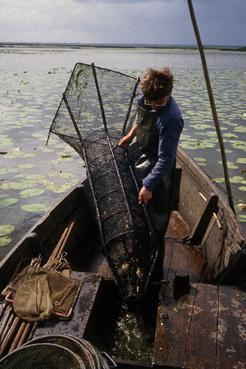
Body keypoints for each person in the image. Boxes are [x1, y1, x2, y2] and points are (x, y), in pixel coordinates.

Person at [118, 67, 184, 280]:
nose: (154, 106)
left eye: (159, 103)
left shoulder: (171, 118)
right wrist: (130, 136)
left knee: (156, 223)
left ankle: (154, 271)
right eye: (151, 102)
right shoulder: (145, 99)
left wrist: (148, 185)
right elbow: (140, 119)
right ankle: (138, 253)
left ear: (169, 93)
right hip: (142, 154)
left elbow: (165, 160)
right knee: (136, 211)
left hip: (160, 171)